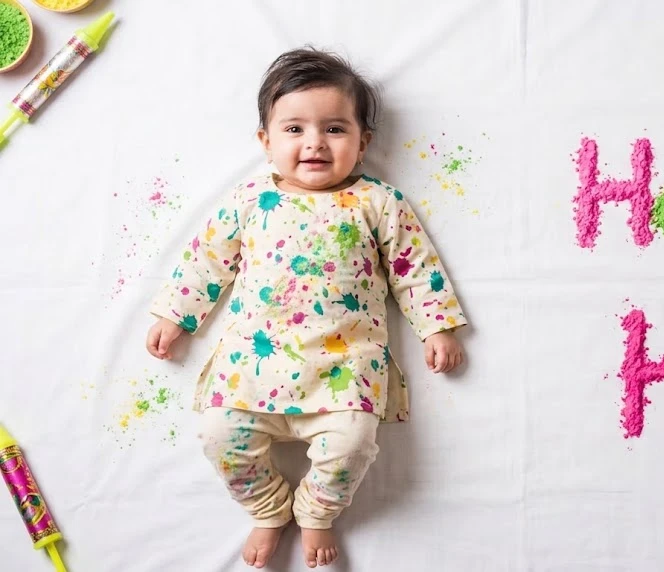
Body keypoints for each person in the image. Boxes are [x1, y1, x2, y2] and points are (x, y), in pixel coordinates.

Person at [145, 47, 468, 569]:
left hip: (344, 368)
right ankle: (268, 508)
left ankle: (317, 510)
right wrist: (175, 315)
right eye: (294, 129)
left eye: (335, 129)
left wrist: (438, 327)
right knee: (218, 432)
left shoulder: (378, 202)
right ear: (265, 141)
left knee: (355, 445)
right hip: (253, 363)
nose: (314, 142)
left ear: (363, 143)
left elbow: (413, 265)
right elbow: (208, 259)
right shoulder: (248, 200)